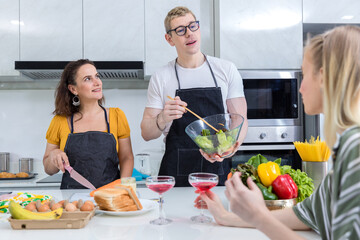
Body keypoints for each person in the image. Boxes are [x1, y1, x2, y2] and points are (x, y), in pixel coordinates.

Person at [195, 25, 360, 239]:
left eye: (304, 73)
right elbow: (305, 215)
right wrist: (227, 217)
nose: (300, 87)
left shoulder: (354, 147)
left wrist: (259, 216)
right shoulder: (347, 146)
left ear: (323, 77)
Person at [141, 6, 248, 187]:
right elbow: (146, 133)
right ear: (169, 39)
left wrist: (228, 149)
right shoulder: (161, 77)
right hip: (175, 175)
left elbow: (240, 120)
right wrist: (162, 118)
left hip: (218, 171)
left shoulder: (226, 69)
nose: (189, 34)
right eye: (180, 30)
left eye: (193, 26)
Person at [43, 59, 134, 189]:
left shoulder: (117, 116)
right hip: (73, 203)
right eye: (87, 79)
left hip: (110, 199)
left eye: (97, 76)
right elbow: (48, 170)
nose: (97, 83)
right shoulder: (60, 121)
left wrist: (123, 188)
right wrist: (53, 155)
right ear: (73, 89)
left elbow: (126, 157)